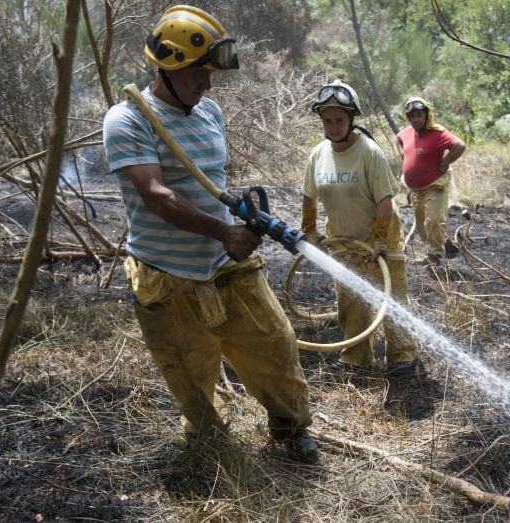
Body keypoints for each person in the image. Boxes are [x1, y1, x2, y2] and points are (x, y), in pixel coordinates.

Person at [102, 5, 317, 463]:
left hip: (227, 265)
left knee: (275, 346)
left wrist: (243, 219)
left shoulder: (209, 112)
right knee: (192, 375)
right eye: (198, 73)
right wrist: (223, 231)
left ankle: (291, 431)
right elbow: (156, 195)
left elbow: (212, 181)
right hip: (169, 277)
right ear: (168, 66)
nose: (207, 83)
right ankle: (212, 453)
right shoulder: (128, 119)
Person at [301, 80, 419, 376]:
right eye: (327, 120)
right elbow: (308, 197)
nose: (333, 126)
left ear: (351, 119)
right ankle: (356, 359)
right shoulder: (318, 154)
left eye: (339, 120)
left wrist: (379, 238)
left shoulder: (369, 152)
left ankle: (403, 357)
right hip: (343, 240)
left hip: (381, 237)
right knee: (351, 303)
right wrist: (310, 231)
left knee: (392, 300)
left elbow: (385, 200)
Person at [396, 97, 466, 266]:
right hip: (415, 190)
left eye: (419, 115)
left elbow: (460, 145)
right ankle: (433, 251)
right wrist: (403, 156)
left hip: (435, 187)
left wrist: (446, 161)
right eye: (411, 116)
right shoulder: (406, 133)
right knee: (422, 225)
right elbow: (398, 139)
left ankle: (436, 258)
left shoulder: (438, 133)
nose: (415, 119)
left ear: (427, 115)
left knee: (434, 220)